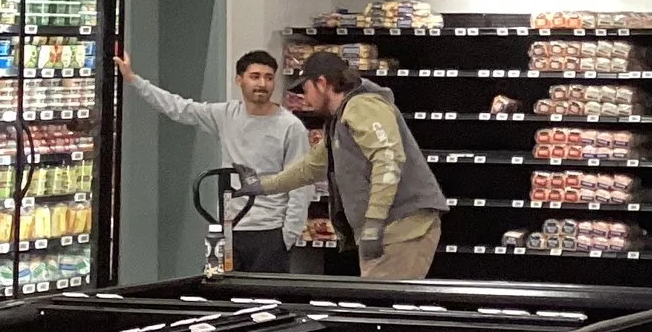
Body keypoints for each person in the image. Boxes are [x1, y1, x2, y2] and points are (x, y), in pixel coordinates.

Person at [246, 48, 447, 279]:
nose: (305, 97)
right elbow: (311, 167)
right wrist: (262, 186)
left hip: (403, 228)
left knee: (380, 309)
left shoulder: (362, 105)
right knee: (377, 306)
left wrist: (374, 222)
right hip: (388, 229)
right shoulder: (339, 120)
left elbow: (388, 159)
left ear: (321, 83)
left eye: (306, 88)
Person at [114, 48, 310, 273]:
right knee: (222, 293)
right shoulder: (225, 114)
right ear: (239, 80)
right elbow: (178, 107)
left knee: (265, 301)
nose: (262, 84)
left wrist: (288, 236)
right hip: (227, 228)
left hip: (270, 231)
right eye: (254, 76)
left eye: (268, 77)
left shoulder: (291, 127)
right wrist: (133, 80)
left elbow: (301, 182)